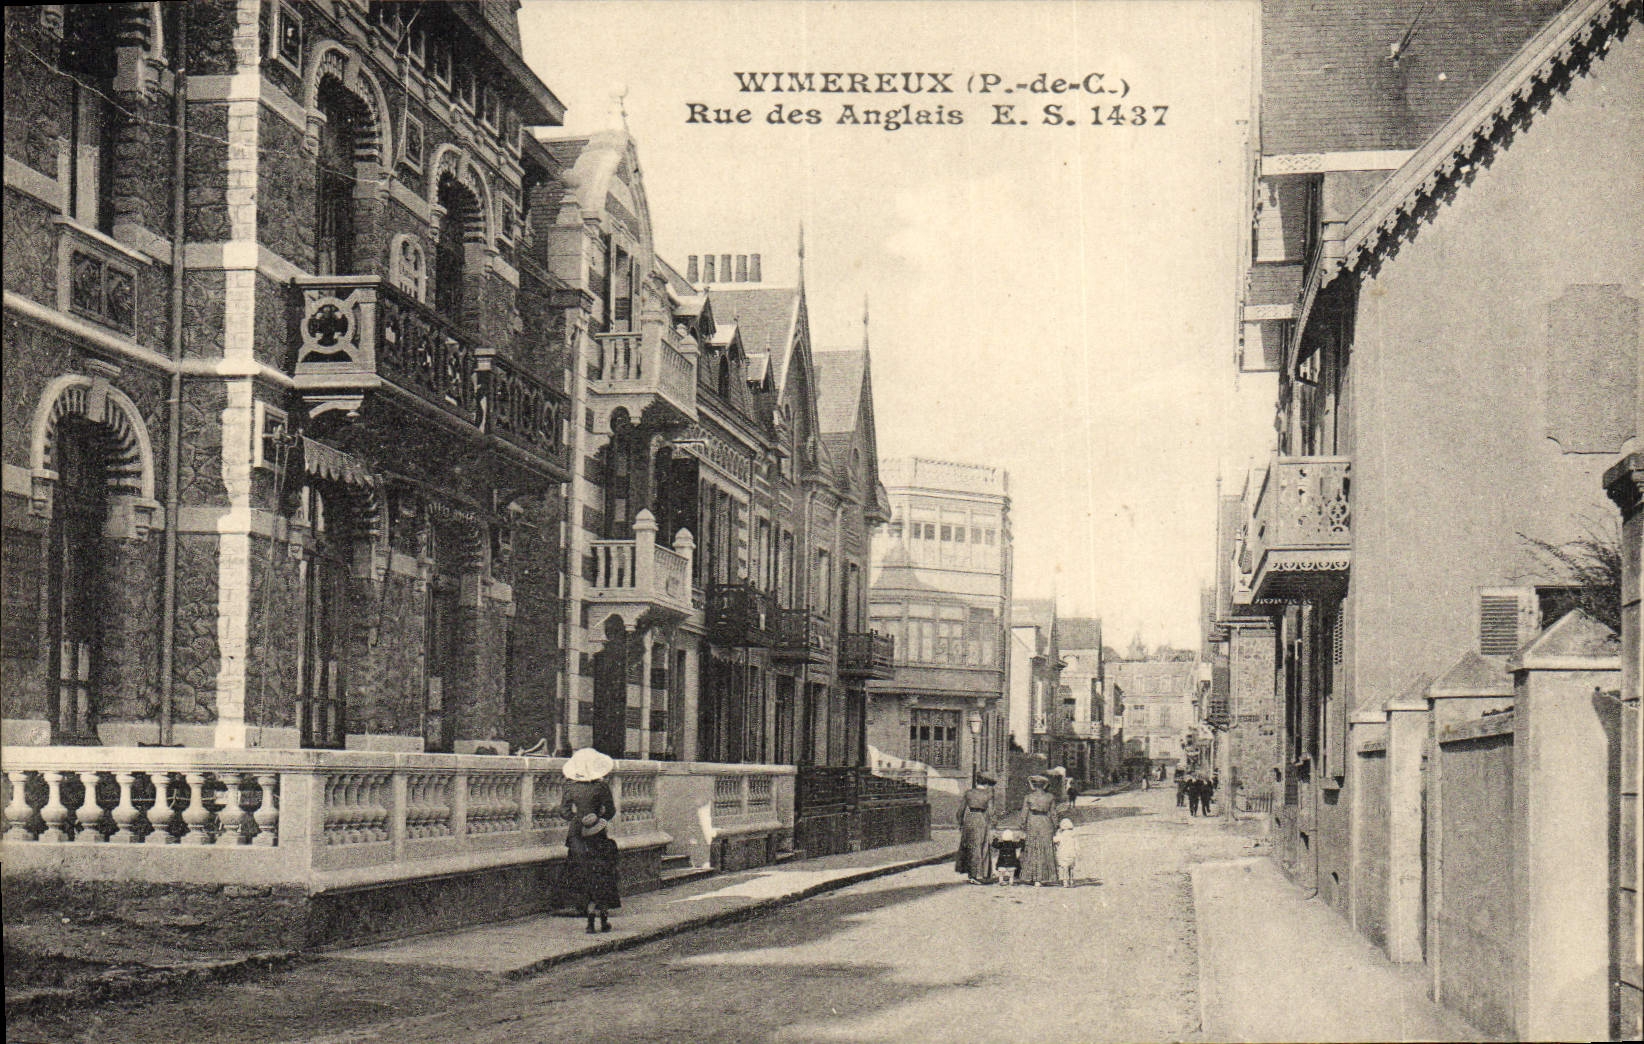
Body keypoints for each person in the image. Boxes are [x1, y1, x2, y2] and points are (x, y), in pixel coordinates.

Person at [555, 747, 622, 933]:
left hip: (576, 831)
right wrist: (597, 819)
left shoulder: (569, 785)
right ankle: (600, 911)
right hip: (595, 831)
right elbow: (610, 811)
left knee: (577, 866)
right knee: (599, 869)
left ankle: (577, 904)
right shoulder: (600, 787)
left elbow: (564, 812)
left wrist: (577, 820)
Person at [956, 775, 995, 884]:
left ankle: (971, 874)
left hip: (970, 819)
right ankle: (980, 874)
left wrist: (961, 824)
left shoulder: (969, 793)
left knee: (970, 846)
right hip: (981, 819)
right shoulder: (988, 794)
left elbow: (960, 811)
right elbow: (991, 812)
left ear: (976, 782)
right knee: (982, 846)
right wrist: (993, 824)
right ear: (986, 784)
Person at [1019, 774, 1058, 886]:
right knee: (1045, 847)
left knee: (1033, 847)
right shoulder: (1050, 797)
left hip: (1033, 822)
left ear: (1034, 785)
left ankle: (1031, 876)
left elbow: (1024, 814)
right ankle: (1046, 876)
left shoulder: (1029, 797)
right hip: (1046, 822)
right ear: (1044, 785)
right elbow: (1053, 813)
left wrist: (1022, 825)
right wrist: (1056, 826)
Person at [1054, 817, 1079, 887]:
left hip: (1063, 854)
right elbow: (1077, 845)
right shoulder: (1073, 835)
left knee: (1064, 868)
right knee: (1071, 868)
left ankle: (1065, 881)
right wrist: (1077, 852)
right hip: (1072, 854)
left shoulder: (1061, 834)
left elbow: (1055, 840)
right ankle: (1071, 880)